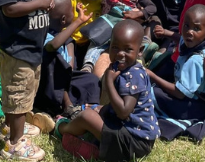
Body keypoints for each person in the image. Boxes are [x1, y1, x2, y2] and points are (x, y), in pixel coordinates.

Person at [57, 20, 159, 162]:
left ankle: (62, 129)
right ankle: (94, 148)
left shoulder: (133, 75)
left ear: (140, 51)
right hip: (132, 133)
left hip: (135, 142)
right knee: (99, 110)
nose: (120, 54)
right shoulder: (129, 68)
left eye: (128, 49)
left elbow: (123, 112)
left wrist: (109, 82)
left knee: (87, 116)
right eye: (115, 47)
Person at [0, 0, 55, 161]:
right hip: (18, 49)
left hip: (31, 49)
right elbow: (10, 9)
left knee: (24, 95)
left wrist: (44, 0)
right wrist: (39, 4)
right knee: (19, 97)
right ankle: (14, 144)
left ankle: (11, 127)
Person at [146, 5, 205, 142]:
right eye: (186, 26)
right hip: (186, 95)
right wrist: (166, 33)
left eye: (196, 28)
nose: (189, 32)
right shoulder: (195, 42)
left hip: (191, 105)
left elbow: (179, 93)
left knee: (151, 92)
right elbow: (180, 38)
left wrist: (152, 75)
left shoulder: (195, 60)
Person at [32, 0, 100, 124]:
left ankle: (92, 107)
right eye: (72, 12)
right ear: (64, 19)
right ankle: (67, 107)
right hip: (50, 84)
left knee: (91, 79)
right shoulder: (45, 34)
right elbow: (52, 46)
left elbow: (70, 65)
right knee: (55, 60)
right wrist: (78, 22)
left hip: (65, 78)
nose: (74, 14)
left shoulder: (66, 39)